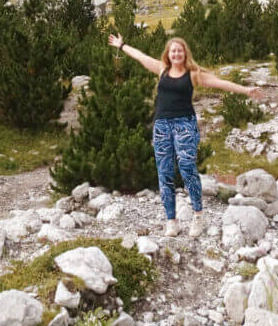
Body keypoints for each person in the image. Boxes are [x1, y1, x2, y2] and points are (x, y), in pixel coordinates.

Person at [108, 33, 264, 237]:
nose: (176, 54)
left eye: (179, 51)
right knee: (164, 173)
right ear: (168, 54)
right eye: (173, 51)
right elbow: (140, 56)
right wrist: (122, 46)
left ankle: (198, 215)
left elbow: (220, 83)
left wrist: (246, 90)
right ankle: (171, 221)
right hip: (161, 125)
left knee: (187, 168)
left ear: (185, 53)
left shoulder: (193, 74)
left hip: (185, 126)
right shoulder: (161, 69)